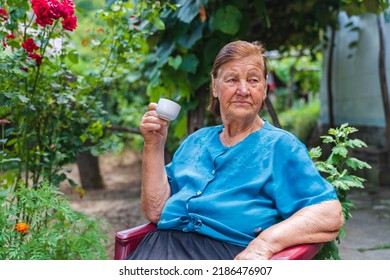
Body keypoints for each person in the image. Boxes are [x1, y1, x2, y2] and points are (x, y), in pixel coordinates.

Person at [128, 40, 343, 260]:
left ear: (264, 87)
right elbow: (156, 211)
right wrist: (153, 145)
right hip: (156, 250)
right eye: (232, 79)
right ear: (214, 86)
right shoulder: (196, 142)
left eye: (253, 80)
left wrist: (264, 244)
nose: (243, 90)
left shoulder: (280, 147)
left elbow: (328, 213)